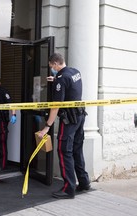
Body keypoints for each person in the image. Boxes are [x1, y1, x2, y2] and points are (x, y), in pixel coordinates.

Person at [38, 53, 90, 199]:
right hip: (80, 116)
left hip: (69, 120)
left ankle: (68, 189)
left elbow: (55, 106)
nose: (52, 69)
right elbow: (70, 87)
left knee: (64, 150)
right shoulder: (75, 72)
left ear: (55, 64)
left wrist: (47, 126)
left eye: (51, 67)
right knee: (77, 149)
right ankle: (84, 182)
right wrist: (55, 80)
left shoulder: (61, 79)